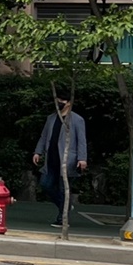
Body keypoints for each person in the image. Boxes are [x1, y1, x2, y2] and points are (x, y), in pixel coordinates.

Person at [33, 96, 87, 227]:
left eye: (62, 100)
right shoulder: (51, 118)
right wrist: (38, 152)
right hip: (51, 158)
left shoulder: (77, 120)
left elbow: (81, 140)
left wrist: (82, 158)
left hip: (67, 159)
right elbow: (44, 136)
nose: (59, 102)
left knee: (64, 189)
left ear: (69, 103)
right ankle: (65, 206)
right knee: (46, 184)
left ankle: (62, 219)